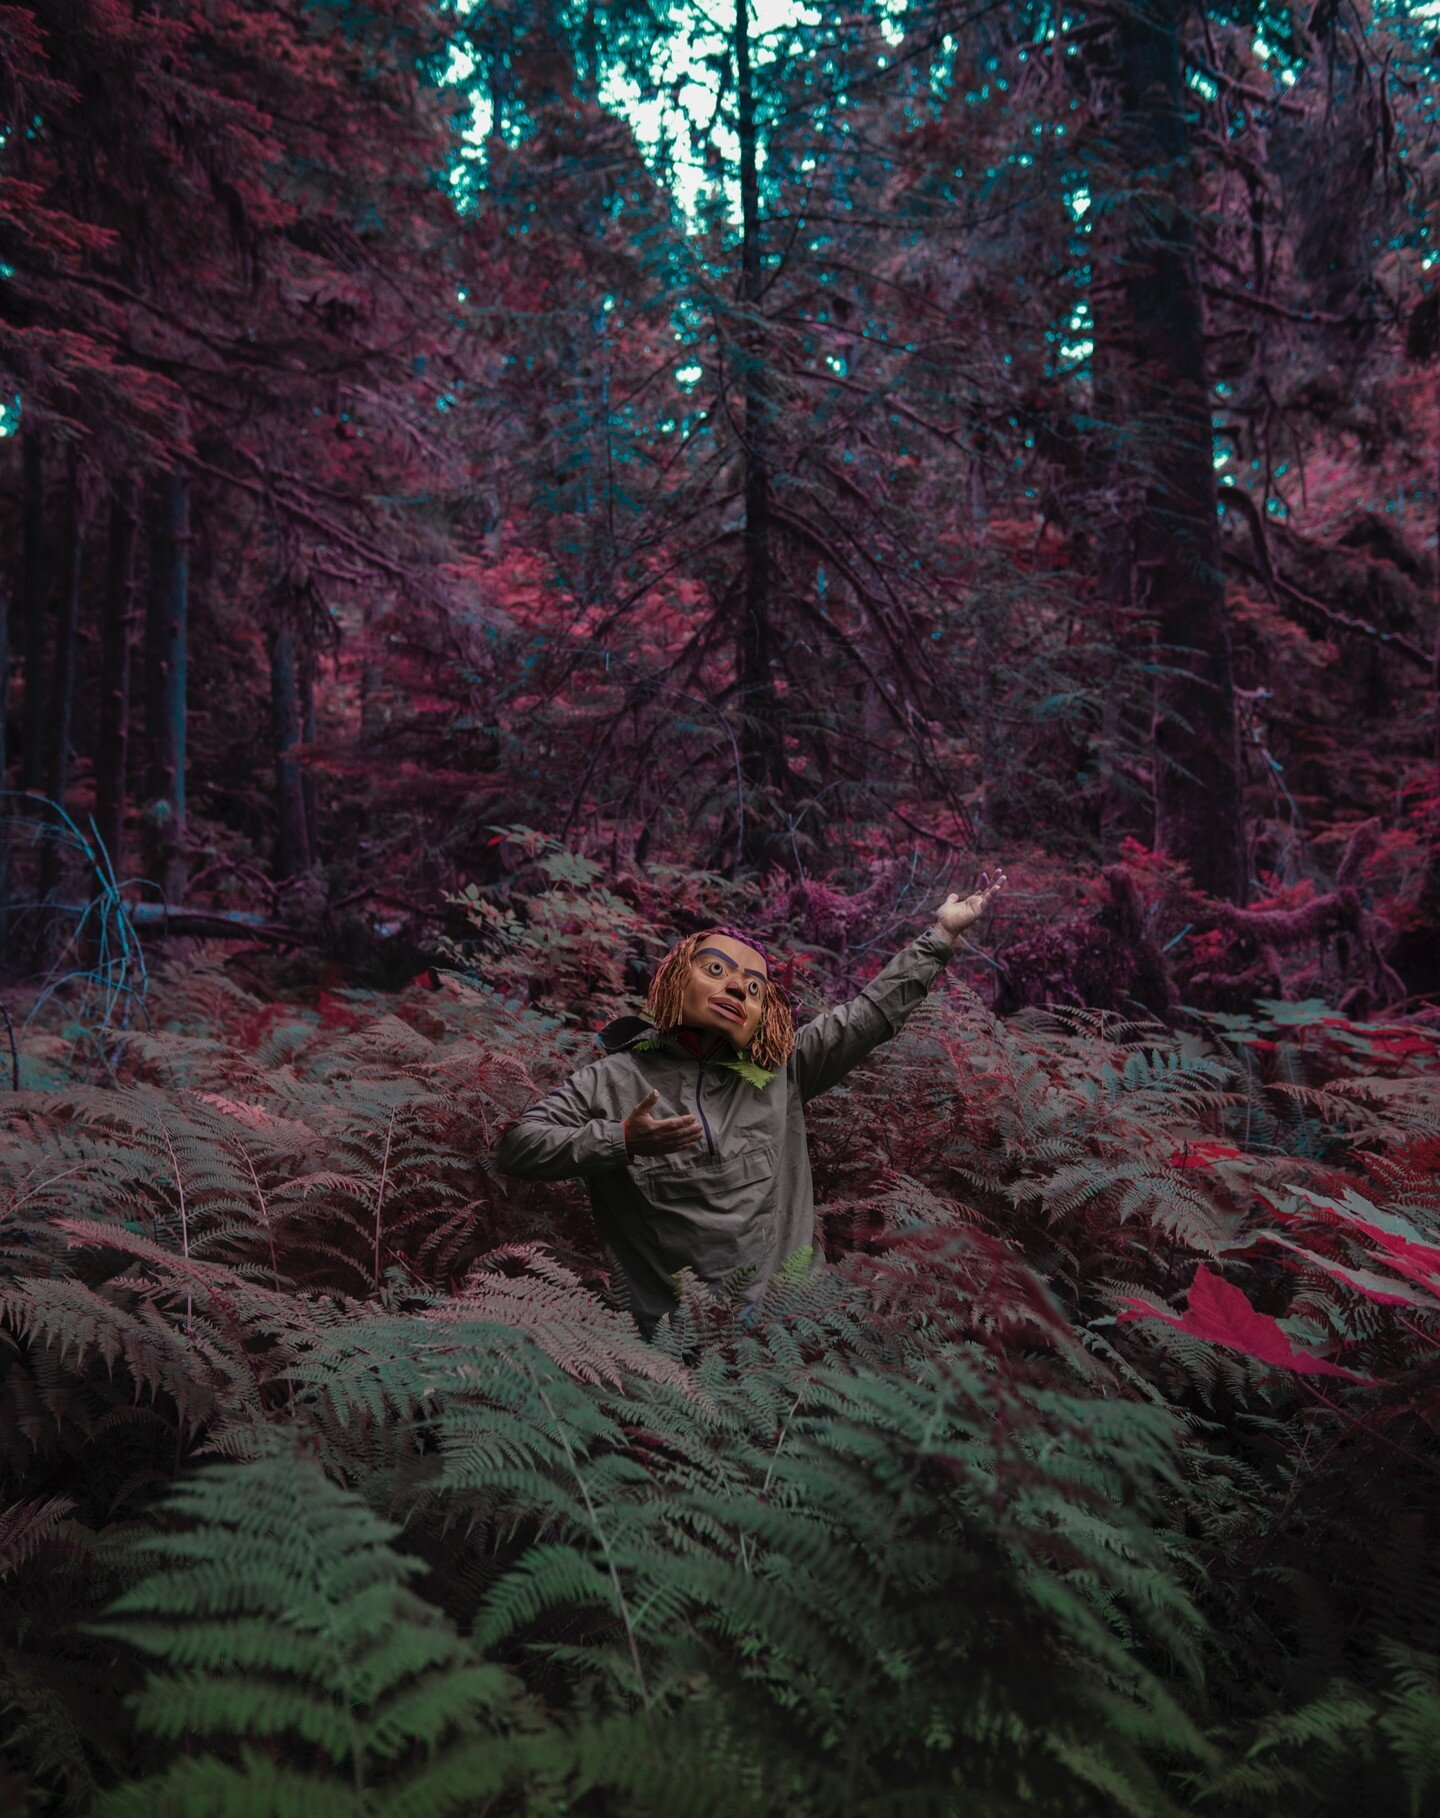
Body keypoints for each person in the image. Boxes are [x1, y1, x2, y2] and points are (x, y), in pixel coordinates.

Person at [496, 874, 1006, 1333]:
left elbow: (867, 1015)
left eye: (754, 987)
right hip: (671, 1344)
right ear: (675, 977)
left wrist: (940, 937)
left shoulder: (784, 1070)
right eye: (715, 969)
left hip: (787, 1330)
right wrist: (621, 1139)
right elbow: (520, 1146)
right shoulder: (610, 1080)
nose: (736, 987)